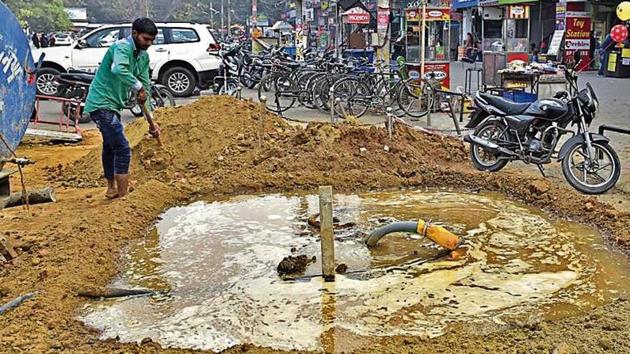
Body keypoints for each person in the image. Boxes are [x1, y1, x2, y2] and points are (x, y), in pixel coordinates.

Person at [84, 18, 160, 199]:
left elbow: (145, 88)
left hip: (113, 105)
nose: (149, 43)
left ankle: (112, 189)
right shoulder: (122, 47)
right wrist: (138, 87)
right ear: (134, 33)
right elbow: (118, 69)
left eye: (151, 40)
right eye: (145, 39)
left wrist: (152, 121)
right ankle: (123, 196)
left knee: (110, 146)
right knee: (122, 149)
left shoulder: (142, 56)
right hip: (101, 102)